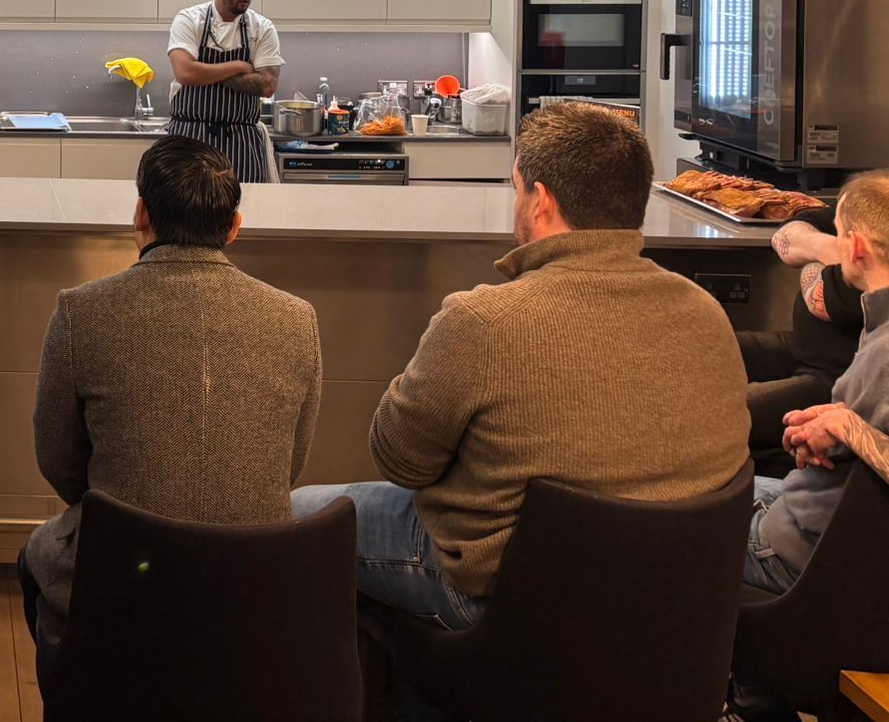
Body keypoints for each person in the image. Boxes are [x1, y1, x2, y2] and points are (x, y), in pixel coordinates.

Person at [291, 105, 748, 638]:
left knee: (300, 515)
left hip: (511, 607)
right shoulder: (706, 312)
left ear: (543, 200)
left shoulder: (485, 320)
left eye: (518, 189)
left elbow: (399, 460)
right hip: (672, 607)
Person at [20, 135, 321, 660]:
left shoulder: (81, 313)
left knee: (36, 557)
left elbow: (59, 462)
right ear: (234, 228)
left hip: (121, 575)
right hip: (253, 582)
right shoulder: (297, 320)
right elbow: (288, 466)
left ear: (141, 215)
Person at [727, 172, 889, 722]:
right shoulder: (878, 319)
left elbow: (865, 429)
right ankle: (755, 693)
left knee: (673, 522)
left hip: (810, 551)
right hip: (823, 514)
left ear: (857, 248)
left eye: (838, 237)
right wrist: (834, 422)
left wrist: (848, 430)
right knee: (721, 485)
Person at [736, 207, 865, 473]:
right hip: (800, 347)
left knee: (714, 414)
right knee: (699, 348)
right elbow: (785, 234)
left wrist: (813, 253)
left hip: (837, 380)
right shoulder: (874, 203)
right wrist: (834, 250)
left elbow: (820, 298)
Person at [164, 0, 282, 183]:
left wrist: (205, 72)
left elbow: (267, 85)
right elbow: (185, 73)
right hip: (189, 138)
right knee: (184, 212)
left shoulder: (262, 28)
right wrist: (238, 66)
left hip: (242, 141)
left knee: (244, 212)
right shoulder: (189, 19)